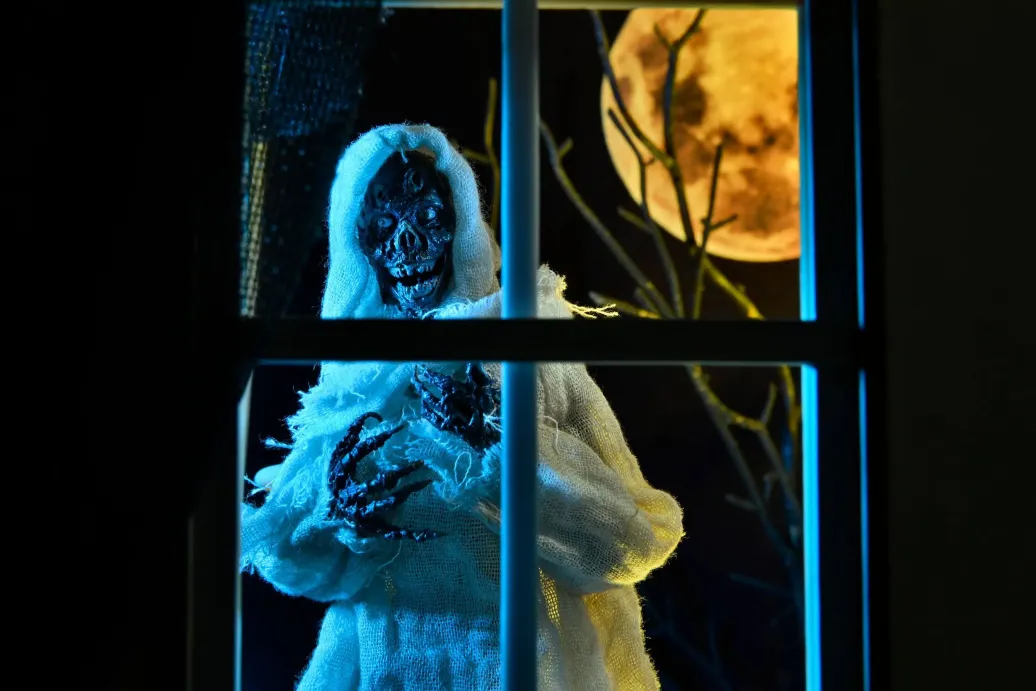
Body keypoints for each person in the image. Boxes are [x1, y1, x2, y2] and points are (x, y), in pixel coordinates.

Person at [242, 123, 684, 690]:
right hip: (387, 668)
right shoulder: (355, 384)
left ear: (461, 224)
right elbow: (296, 564)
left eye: (427, 217)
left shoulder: (527, 350)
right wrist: (342, 513)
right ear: (360, 240)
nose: (408, 244)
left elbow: (635, 545)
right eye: (385, 225)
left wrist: (498, 450)